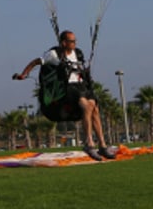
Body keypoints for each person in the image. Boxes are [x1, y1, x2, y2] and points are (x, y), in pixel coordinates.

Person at [13, 30, 115, 160]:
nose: (75, 43)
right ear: (64, 42)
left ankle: (102, 145)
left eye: (75, 41)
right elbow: (36, 62)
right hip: (67, 88)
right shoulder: (54, 54)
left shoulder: (77, 53)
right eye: (72, 41)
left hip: (81, 86)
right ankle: (89, 143)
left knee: (94, 107)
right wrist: (24, 74)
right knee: (86, 105)